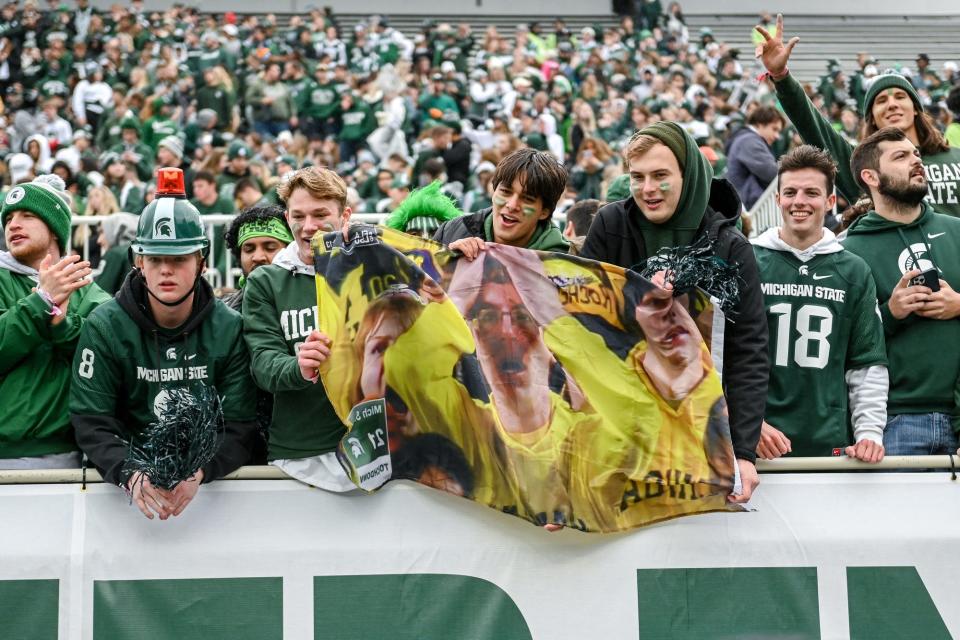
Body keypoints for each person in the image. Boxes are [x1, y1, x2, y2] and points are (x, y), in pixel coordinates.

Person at [579, 121, 767, 504]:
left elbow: (747, 353)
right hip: (620, 431)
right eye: (638, 177)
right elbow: (581, 330)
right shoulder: (609, 225)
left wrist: (744, 454)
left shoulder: (730, 248)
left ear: (688, 174)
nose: (647, 189)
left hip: (699, 433)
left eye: (660, 175)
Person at [71, 168, 257, 519]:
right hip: (120, 502)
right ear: (139, 261)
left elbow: (239, 424)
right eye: (155, 259)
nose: (165, 270)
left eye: (178, 259)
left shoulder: (229, 327)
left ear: (201, 261)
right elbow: (91, 421)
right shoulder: (105, 325)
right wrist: (129, 472)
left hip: (209, 503)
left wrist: (202, 470)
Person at [752, 145, 888, 462]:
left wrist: (869, 433)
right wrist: (745, 423)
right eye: (790, 192)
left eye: (811, 192)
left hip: (827, 442)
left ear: (829, 202)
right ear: (777, 200)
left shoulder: (853, 270)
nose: (799, 201)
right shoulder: (748, 260)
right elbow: (721, 357)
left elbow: (867, 364)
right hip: (758, 441)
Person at [756, 14, 960, 217]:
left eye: (900, 96)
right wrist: (781, 77)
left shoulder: (955, 157)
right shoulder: (863, 167)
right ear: (871, 117)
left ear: (916, 108)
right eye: (881, 101)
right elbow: (812, 125)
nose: (892, 105)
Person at [842, 127, 960, 455]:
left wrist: (959, 304)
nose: (916, 161)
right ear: (871, 176)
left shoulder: (957, 232)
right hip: (893, 422)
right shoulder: (848, 252)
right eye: (901, 156)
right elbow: (840, 345)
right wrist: (889, 314)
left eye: (916, 154)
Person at [242, 166, 354, 490]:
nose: (308, 227)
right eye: (298, 216)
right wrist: (299, 367)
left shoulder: (372, 269)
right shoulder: (266, 282)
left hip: (374, 443)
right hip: (300, 454)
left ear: (344, 215)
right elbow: (263, 363)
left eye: (320, 214)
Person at [0, 175, 110, 469]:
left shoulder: (91, 293)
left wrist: (63, 326)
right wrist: (41, 302)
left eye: (28, 215)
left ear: (55, 227)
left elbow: (106, 361)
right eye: (8, 218)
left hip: (63, 456)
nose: (13, 224)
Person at [433, 148, 569, 255]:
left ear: (544, 212)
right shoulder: (451, 232)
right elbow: (420, 285)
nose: (511, 205)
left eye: (527, 199)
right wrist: (447, 260)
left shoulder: (564, 266)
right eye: (505, 192)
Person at [221, 205, 293, 311]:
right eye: (249, 250)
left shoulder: (312, 303)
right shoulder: (226, 313)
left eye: (270, 248)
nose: (258, 257)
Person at [724, 105, 785, 210]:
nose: (777, 136)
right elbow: (772, 173)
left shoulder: (746, 138)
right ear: (760, 124)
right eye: (774, 129)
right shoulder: (749, 141)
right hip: (747, 208)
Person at [94, 212, 139, 295]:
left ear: (115, 230)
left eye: (103, 232)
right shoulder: (140, 251)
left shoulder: (116, 253)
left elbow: (99, 293)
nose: (99, 240)